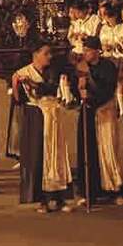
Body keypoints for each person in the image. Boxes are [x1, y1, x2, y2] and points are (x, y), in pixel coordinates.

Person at [12, 43, 73, 213]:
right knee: (38, 157)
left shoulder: (52, 70)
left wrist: (32, 83)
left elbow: (49, 89)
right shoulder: (23, 72)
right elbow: (18, 101)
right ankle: (42, 199)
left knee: (57, 156)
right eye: (45, 53)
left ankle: (59, 196)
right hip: (34, 116)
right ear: (35, 54)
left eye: (50, 53)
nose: (49, 57)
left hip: (52, 115)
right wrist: (16, 85)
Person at [75, 36, 123, 206]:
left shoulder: (108, 67)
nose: (85, 54)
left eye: (88, 50)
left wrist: (89, 82)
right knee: (88, 150)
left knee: (108, 149)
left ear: (97, 51)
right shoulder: (81, 67)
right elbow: (75, 89)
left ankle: (114, 188)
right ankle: (89, 190)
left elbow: (107, 89)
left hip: (104, 110)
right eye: (84, 50)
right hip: (88, 111)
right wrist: (79, 88)